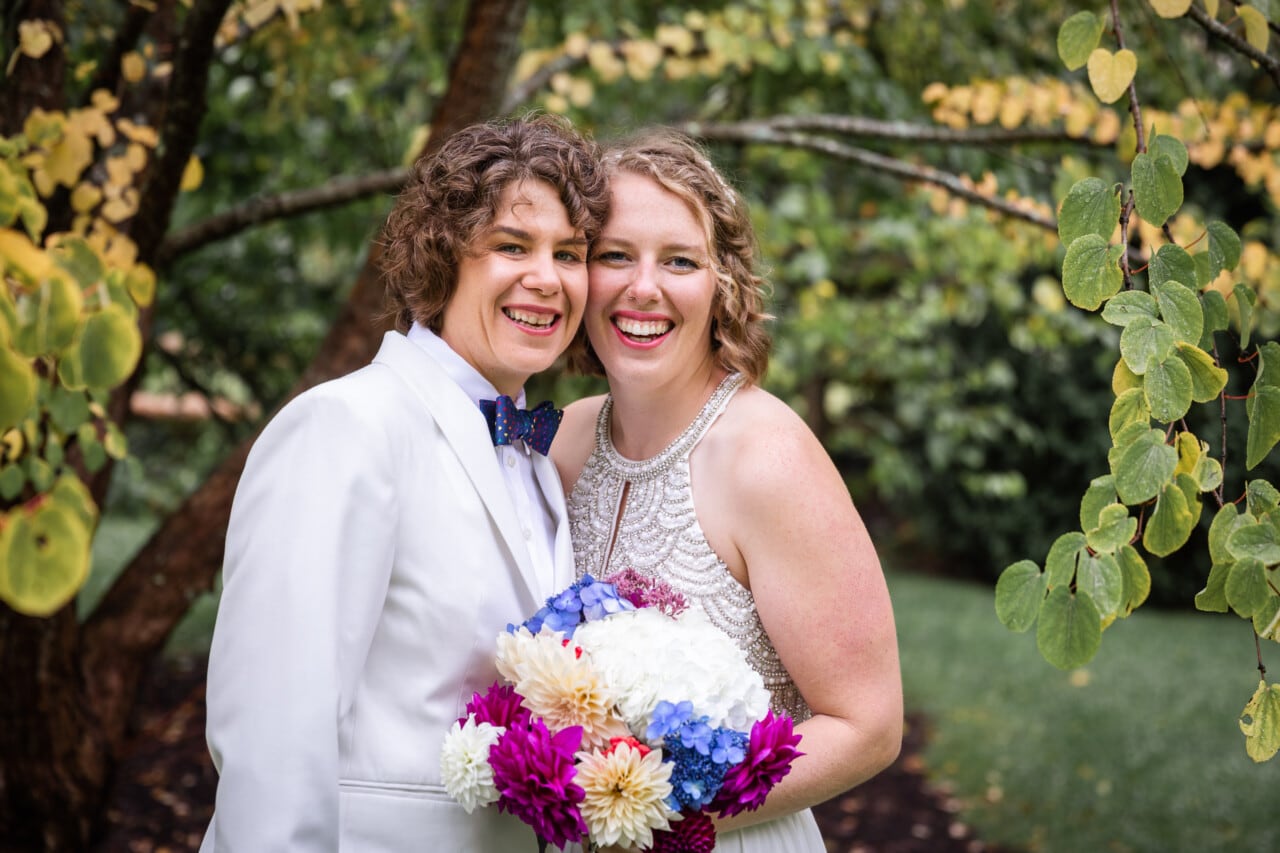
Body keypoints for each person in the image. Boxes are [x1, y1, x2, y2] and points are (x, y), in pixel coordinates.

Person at [199, 115, 608, 852]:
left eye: (569, 253)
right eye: (512, 245)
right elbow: (272, 736)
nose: (547, 278)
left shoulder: (540, 463)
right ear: (443, 256)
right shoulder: (346, 426)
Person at [553, 130, 903, 851]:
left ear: (723, 284)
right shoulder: (563, 442)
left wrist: (658, 815)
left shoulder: (765, 459)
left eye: (678, 260)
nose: (642, 287)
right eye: (616, 254)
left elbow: (867, 725)